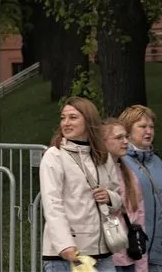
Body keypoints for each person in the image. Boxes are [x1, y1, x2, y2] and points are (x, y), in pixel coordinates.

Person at [39, 96, 122, 272]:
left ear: (89, 120)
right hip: (67, 255)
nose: (66, 123)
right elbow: (52, 204)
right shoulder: (54, 156)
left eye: (73, 117)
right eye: (63, 118)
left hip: (102, 252)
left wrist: (109, 197)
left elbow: (118, 197)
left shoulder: (102, 156)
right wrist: (65, 245)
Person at [119, 105, 162, 272]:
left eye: (151, 127)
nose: (148, 131)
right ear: (127, 130)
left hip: (156, 248)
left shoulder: (157, 162)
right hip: (131, 248)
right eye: (142, 127)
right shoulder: (119, 161)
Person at [101, 118, 148, 272]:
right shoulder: (97, 173)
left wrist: (141, 264)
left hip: (129, 254)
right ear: (103, 141)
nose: (125, 141)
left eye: (126, 136)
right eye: (119, 137)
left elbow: (139, 215)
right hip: (106, 254)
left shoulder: (128, 173)